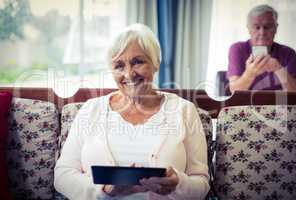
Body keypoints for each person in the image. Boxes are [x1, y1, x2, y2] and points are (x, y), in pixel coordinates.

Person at [54, 23, 210, 200]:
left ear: (156, 63)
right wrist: (104, 190)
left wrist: (178, 184)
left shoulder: (184, 111)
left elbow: (201, 184)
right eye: (119, 66)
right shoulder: (91, 110)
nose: (128, 74)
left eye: (137, 62)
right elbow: (62, 175)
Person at [227, 4, 296, 93]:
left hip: (279, 104)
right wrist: (250, 73)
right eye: (257, 27)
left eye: (267, 27)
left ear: (276, 28)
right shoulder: (238, 49)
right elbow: (233, 90)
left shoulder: (288, 53)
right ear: (249, 29)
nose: (262, 32)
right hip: (247, 104)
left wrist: (279, 69)